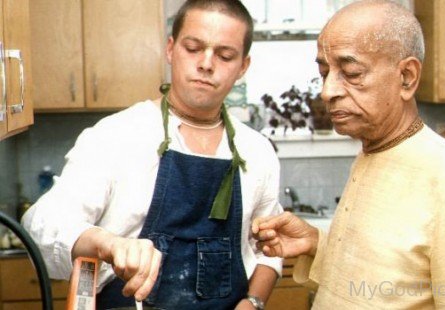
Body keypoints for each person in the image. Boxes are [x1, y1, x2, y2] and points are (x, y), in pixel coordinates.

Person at [22, 1, 282, 309]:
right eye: (193, 48)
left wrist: (253, 302)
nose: (206, 64)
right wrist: (108, 244)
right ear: (171, 49)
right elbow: (44, 223)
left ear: (243, 66)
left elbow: (268, 249)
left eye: (225, 55)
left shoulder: (256, 150)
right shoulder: (116, 135)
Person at [253, 0, 445, 309]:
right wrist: (316, 243)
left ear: (407, 77)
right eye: (325, 73)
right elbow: (386, 280)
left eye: (351, 73)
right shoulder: (373, 150)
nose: (328, 91)